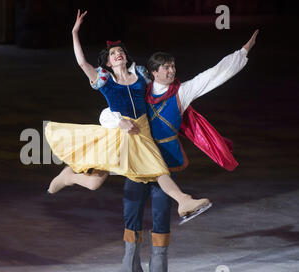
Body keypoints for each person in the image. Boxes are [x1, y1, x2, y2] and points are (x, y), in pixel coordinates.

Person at [98, 29, 259, 272]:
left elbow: (213, 74)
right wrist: (119, 122)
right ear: (152, 72)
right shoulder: (139, 90)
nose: (171, 71)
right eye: (165, 67)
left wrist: (242, 52)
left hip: (166, 164)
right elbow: (108, 111)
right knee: (131, 212)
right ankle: (130, 266)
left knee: (161, 215)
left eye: (172, 66)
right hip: (138, 163)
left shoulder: (181, 93)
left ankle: (159, 268)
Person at [45, 10, 211, 222]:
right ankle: (69, 177)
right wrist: (75, 32)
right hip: (118, 135)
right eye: (113, 54)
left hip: (142, 131)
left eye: (120, 51)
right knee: (95, 183)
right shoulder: (105, 81)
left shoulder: (141, 75)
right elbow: (81, 63)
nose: (118, 54)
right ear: (108, 63)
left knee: (158, 169)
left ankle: (183, 202)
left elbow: (159, 87)